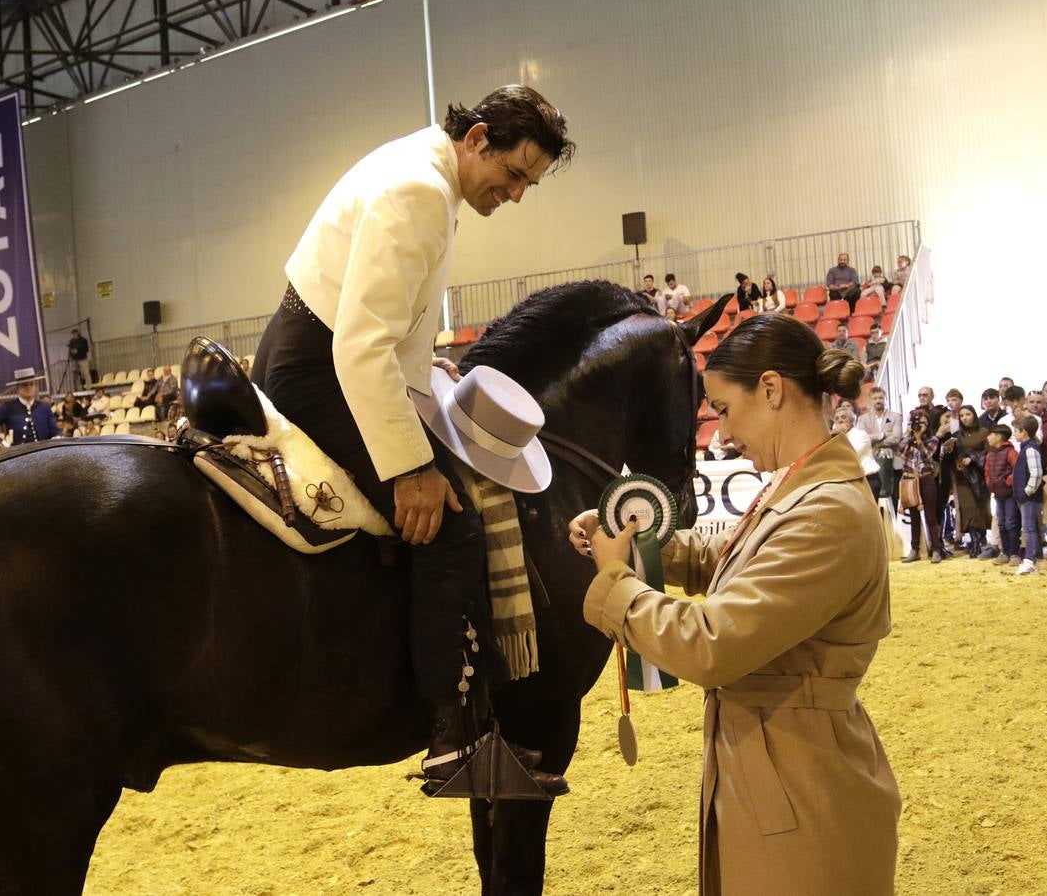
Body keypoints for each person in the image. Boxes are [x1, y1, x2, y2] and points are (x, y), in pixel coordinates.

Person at [249, 84, 575, 795]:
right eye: (513, 173)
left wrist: (421, 367)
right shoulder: (420, 190)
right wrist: (410, 471)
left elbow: (381, 320)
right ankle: (455, 734)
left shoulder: (422, 169)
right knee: (449, 524)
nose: (516, 194)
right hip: (320, 370)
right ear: (478, 138)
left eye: (529, 183)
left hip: (312, 349)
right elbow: (361, 346)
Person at [571, 313, 899, 894]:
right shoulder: (800, 488)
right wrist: (642, 539)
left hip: (802, 785)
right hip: (782, 766)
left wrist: (617, 583)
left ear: (770, 389)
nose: (720, 434)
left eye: (723, 409)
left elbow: (711, 644)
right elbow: (725, 559)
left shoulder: (824, 511)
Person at [943, 406, 992, 557]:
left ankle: (981, 540)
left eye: (968, 414)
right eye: (962, 415)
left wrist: (973, 458)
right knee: (968, 508)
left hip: (979, 476)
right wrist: (949, 451)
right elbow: (952, 456)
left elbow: (989, 452)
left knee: (981, 508)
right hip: (962, 477)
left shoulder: (984, 432)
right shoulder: (957, 435)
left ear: (974, 415)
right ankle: (974, 541)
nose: (964, 418)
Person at [899, 407, 943, 563]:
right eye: (916, 422)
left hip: (926, 478)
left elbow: (927, 455)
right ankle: (914, 550)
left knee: (931, 516)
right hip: (910, 479)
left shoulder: (933, 439)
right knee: (914, 517)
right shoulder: (906, 439)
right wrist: (909, 435)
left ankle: (936, 549)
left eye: (922, 422)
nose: (919, 425)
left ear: (928, 423)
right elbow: (902, 454)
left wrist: (919, 439)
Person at [0, 368, 61, 444]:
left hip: (42, 452)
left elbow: (55, 431)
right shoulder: (8, 408)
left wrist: (56, 439)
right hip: (18, 453)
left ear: (36, 387)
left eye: (31, 384)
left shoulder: (44, 407)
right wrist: (2, 442)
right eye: (25, 385)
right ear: (18, 388)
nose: (29, 388)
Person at [858, 387, 902, 510]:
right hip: (873, 464)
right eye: (875, 398)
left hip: (894, 464)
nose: (878, 401)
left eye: (881, 398)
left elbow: (896, 438)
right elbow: (863, 438)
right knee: (875, 500)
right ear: (871, 400)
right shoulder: (863, 419)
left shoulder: (896, 416)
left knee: (894, 499)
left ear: (885, 399)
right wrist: (882, 435)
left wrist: (875, 443)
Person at [1012, 415, 1045, 574]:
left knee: (1029, 528)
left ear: (1023, 431)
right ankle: (1035, 556)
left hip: (1029, 497)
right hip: (1025, 496)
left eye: (1016, 431)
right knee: (1031, 527)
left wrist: (1027, 491)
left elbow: (1036, 473)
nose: (1014, 434)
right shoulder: (1027, 448)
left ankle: (1030, 560)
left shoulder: (1030, 449)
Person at [983, 425, 1018, 564]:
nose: (988, 437)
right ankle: (1005, 552)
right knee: (1001, 524)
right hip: (998, 494)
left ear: (998, 436)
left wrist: (1007, 482)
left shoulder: (1011, 452)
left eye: (990, 434)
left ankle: (1014, 553)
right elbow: (987, 472)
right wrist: (990, 484)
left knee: (1011, 523)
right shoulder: (990, 454)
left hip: (1010, 494)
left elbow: (1017, 470)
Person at [833, 405, 881, 500]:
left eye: (843, 417)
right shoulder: (836, 437)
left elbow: (849, 455)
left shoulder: (860, 434)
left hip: (867, 479)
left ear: (851, 420)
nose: (840, 421)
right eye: (837, 418)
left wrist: (837, 434)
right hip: (849, 480)